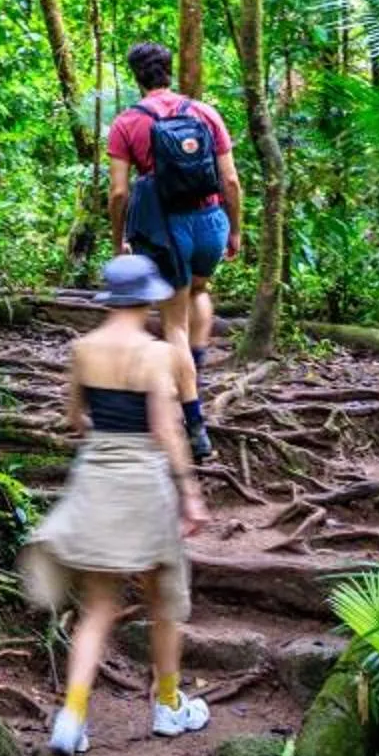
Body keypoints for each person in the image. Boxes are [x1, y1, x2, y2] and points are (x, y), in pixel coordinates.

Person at [21, 254, 212, 756]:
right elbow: (165, 429)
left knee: (98, 609)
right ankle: (168, 705)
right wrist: (189, 490)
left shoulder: (82, 348)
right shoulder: (155, 354)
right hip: (144, 480)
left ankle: (72, 716)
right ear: (148, 297)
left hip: (96, 475)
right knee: (164, 600)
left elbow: (73, 417)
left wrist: (103, 435)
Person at [106, 39, 244, 456]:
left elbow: (117, 194)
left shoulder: (127, 123)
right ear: (170, 71)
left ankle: (196, 426)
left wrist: (119, 242)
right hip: (211, 224)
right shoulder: (205, 112)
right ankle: (194, 366)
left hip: (166, 231)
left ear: (136, 76)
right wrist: (235, 230)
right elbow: (231, 181)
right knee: (199, 290)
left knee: (174, 326)